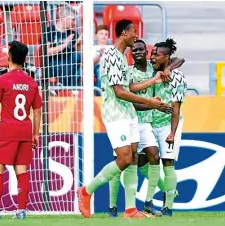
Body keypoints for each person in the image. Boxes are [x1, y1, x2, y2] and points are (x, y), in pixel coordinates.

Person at [77, 19, 172, 219]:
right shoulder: (111, 55)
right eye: (133, 31)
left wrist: (153, 81)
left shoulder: (121, 57)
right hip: (115, 113)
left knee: (134, 159)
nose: (136, 36)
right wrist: (149, 102)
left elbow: (129, 87)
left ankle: (130, 210)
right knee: (124, 159)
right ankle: (86, 191)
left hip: (129, 114)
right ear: (124, 33)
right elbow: (119, 92)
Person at [108, 40, 185, 217]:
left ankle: (152, 201)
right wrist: (153, 103)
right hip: (129, 120)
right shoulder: (128, 72)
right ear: (131, 54)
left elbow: (179, 59)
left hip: (147, 123)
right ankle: (112, 206)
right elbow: (129, 96)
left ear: (146, 51)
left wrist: (168, 69)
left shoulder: (153, 67)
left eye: (141, 49)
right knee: (122, 161)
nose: (138, 52)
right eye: (134, 50)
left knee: (154, 155)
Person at [0, 41, 42, 221]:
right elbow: (37, 112)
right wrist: (35, 134)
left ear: (8, 57)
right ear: (24, 59)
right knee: (21, 170)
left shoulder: (1, 80)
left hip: (8, 130)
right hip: (25, 130)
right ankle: (21, 211)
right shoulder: (32, 82)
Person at [150, 38, 187, 216]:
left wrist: (172, 133)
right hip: (150, 122)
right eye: (153, 53)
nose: (153, 57)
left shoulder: (177, 77)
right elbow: (180, 59)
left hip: (168, 125)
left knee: (168, 163)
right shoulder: (151, 71)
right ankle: (167, 190)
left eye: (156, 55)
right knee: (143, 161)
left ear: (166, 57)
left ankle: (168, 207)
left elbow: (176, 108)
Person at [47, 6, 81, 86]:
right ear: (64, 17)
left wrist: (79, 45)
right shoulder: (49, 30)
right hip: (54, 62)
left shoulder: (73, 34)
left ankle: (66, 87)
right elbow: (47, 52)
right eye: (72, 19)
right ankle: (66, 87)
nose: (74, 22)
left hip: (69, 64)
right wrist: (65, 44)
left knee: (76, 57)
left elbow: (78, 55)